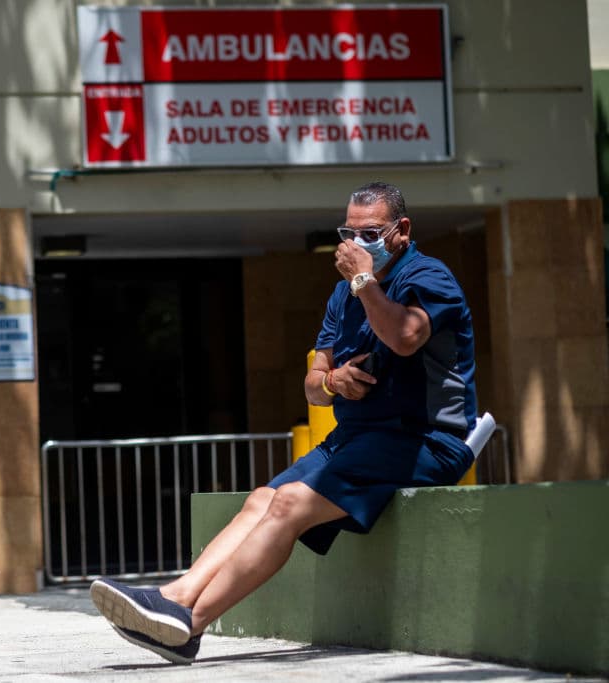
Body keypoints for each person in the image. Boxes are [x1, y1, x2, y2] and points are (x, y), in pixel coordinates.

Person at [89, 181, 478, 664]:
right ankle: (175, 599)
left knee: (290, 501)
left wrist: (364, 283)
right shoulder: (342, 296)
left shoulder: (428, 277)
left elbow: (403, 337)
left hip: (425, 440)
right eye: (348, 232)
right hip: (357, 438)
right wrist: (335, 380)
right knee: (263, 499)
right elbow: (313, 386)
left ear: (402, 230)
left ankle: (193, 623)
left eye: (371, 233)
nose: (357, 244)